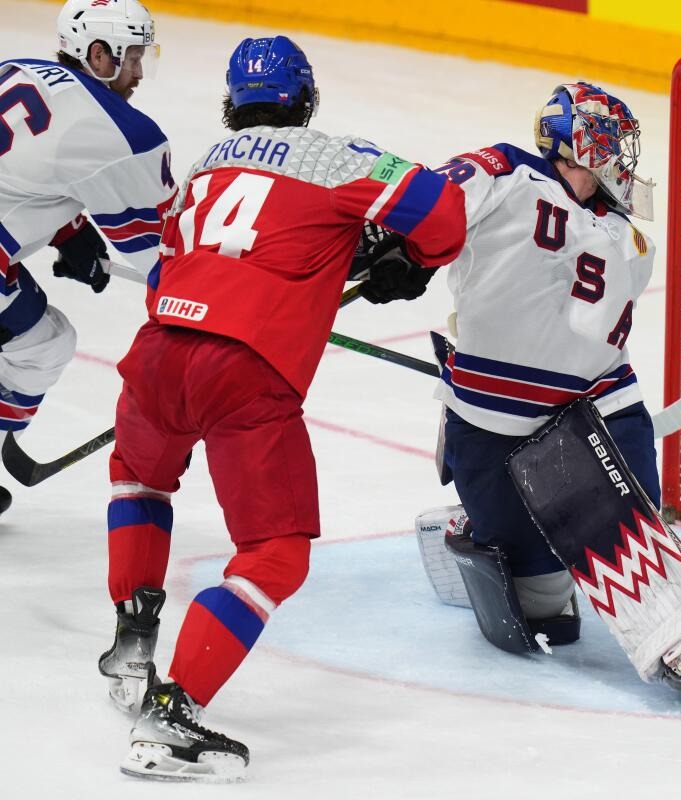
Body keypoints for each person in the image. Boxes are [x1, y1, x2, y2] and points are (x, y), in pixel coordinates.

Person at [99, 35, 466, 782]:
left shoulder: (205, 164)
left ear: (232, 105)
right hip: (244, 372)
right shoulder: (336, 157)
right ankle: (173, 713)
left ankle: (132, 639)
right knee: (275, 552)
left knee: (139, 480)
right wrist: (407, 260)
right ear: (306, 101)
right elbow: (443, 211)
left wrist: (341, 256)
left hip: (158, 348)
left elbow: (175, 262)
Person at [400, 82, 681, 696]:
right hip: (488, 418)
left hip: (586, 412)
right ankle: (474, 520)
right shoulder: (506, 169)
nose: (626, 160)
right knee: (545, 616)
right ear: (589, 146)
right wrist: (396, 246)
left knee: (631, 526)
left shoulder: (629, 237)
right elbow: (425, 198)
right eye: (617, 144)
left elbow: (573, 335)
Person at [0, 0, 173, 507]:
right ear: (98, 55)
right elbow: (165, 257)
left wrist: (68, 229)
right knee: (42, 344)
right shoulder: (120, 132)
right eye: (132, 58)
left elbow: (21, 173)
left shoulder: (18, 69)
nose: (140, 73)